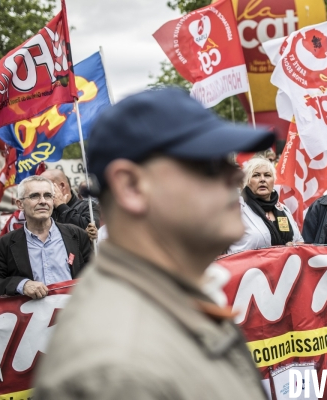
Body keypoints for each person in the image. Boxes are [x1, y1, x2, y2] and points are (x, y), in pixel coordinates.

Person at [33, 88, 276, 400]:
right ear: (131, 187)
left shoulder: (176, 298)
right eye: (211, 165)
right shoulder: (116, 370)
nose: (236, 176)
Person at [0, 176, 92, 298]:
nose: (43, 201)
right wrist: (22, 285)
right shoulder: (5, 244)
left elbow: (96, 275)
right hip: (31, 315)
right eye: (34, 196)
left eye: (47, 196)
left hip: (73, 313)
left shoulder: (77, 235)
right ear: (20, 204)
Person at [229, 157, 303, 253]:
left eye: (267, 175)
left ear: (273, 181)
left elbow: (299, 241)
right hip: (245, 267)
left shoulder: (284, 209)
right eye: (256, 175)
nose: (262, 179)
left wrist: (294, 246)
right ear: (247, 182)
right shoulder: (235, 209)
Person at [40, 169, 100, 241]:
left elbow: (88, 231)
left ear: (62, 186)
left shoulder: (88, 206)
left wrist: (61, 206)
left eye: (46, 186)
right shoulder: (46, 209)